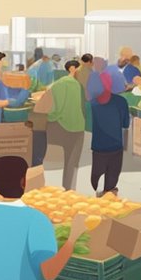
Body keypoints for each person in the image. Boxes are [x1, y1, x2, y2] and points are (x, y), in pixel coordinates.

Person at [43, 59, 85, 191]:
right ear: (73, 69)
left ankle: (45, 187)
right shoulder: (79, 85)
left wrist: (48, 118)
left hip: (61, 126)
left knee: (44, 153)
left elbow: (56, 109)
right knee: (71, 162)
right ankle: (69, 189)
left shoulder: (59, 84)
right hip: (78, 127)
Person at [90, 75, 129, 196]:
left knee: (96, 175)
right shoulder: (121, 101)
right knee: (112, 175)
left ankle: (97, 192)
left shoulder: (92, 103)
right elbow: (125, 124)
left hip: (98, 146)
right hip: (115, 145)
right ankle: (110, 193)